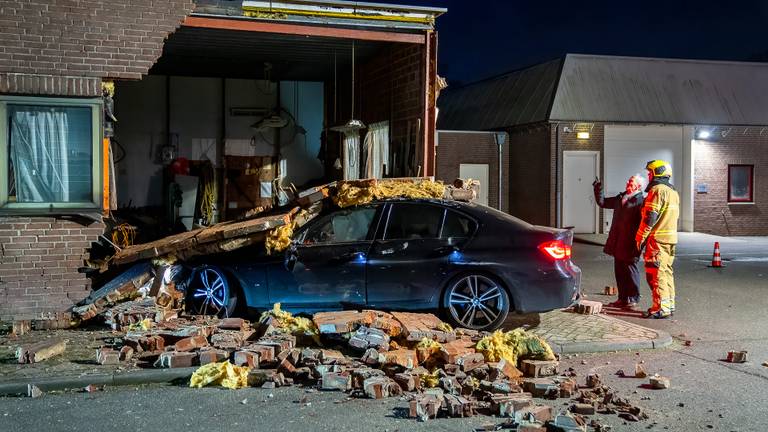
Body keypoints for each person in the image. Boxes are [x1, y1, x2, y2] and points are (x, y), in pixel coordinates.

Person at [636, 160, 680, 319]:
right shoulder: (673, 192)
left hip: (657, 241)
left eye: (650, 173)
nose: (648, 176)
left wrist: (639, 237)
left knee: (656, 275)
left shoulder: (657, 191)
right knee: (667, 273)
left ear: (657, 173)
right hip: (670, 240)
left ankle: (660, 308)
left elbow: (650, 217)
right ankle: (669, 305)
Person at [593, 175, 645, 309]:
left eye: (631, 181)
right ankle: (622, 298)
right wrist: (598, 188)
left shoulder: (641, 201)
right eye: (628, 180)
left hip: (631, 242)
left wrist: (640, 243)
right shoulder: (621, 197)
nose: (627, 183)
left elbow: (645, 224)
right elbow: (603, 202)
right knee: (620, 270)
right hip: (618, 240)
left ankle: (632, 298)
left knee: (630, 270)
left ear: (638, 186)